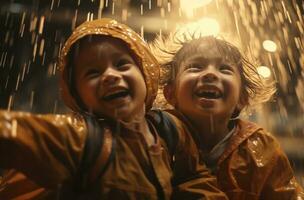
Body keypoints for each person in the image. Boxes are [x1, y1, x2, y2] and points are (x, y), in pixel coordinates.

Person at [0, 18, 227, 199]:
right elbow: (14, 134)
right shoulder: (79, 139)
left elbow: (193, 179)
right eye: (93, 72)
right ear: (76, 93)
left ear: (145, 75)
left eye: (122, 64)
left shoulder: (170, 129)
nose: (110, 75)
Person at [151, 33, 304, 199]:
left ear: (242, 98)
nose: (210, 74)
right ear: (170, 93)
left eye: (225, 69)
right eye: (195, 67)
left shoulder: (261, 148)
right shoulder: (156, 137)